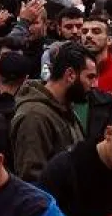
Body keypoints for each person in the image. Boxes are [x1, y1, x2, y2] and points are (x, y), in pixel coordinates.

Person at [9, 43, 94, 182]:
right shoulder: (34, 116)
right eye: (90, 77)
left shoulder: (65, 107)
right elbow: (32, 180)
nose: (95, 84)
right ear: (70, 75)